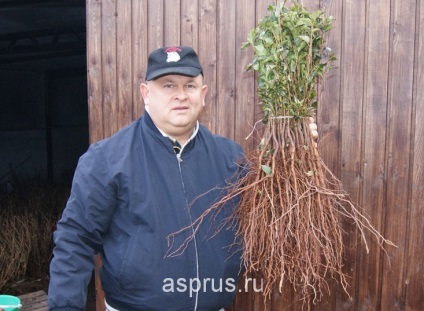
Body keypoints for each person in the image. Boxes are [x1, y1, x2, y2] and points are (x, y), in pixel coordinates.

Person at [48, 46, 318, 311]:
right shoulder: (107, 159)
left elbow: (268, 220)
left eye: (189, 86)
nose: (180, 95)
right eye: (167, 85)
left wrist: (294, 157)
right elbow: (76, 238)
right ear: (146, 93)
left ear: (202, 94)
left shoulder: (230, 156)